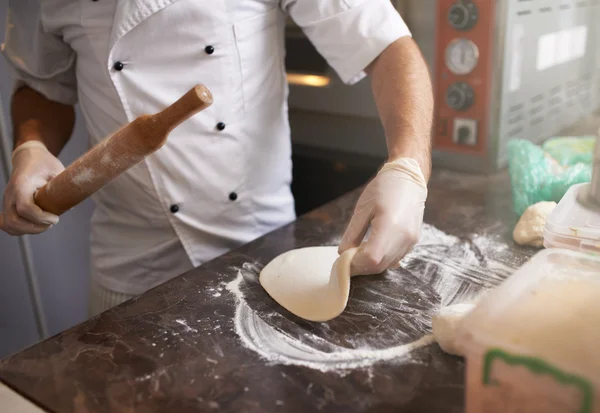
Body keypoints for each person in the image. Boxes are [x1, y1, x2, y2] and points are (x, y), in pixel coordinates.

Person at [0, 0, 433, 317]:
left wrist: (407, 167)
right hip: (129, 263)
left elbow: (385, 45)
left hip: (264, 250)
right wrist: (31, 146)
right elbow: (42, 85)